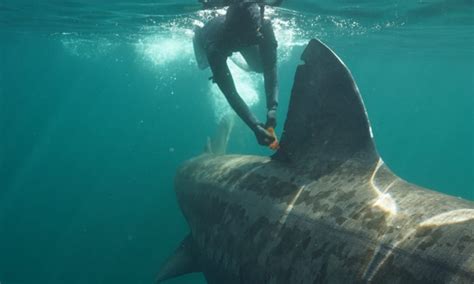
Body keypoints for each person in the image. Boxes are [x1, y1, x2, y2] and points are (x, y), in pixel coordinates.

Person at [193, 0, 279, 146]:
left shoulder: (263, 27)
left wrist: (272, 107)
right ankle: (220, 61)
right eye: (246, 38)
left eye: (253, 36)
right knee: (203, 65)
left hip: (235, 37)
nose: (251, 41)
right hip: (211, 39)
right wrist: (254, 125)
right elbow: (230, 93)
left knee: (260, 67)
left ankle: (231, 64)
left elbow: (270, 67)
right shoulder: (215, 46)